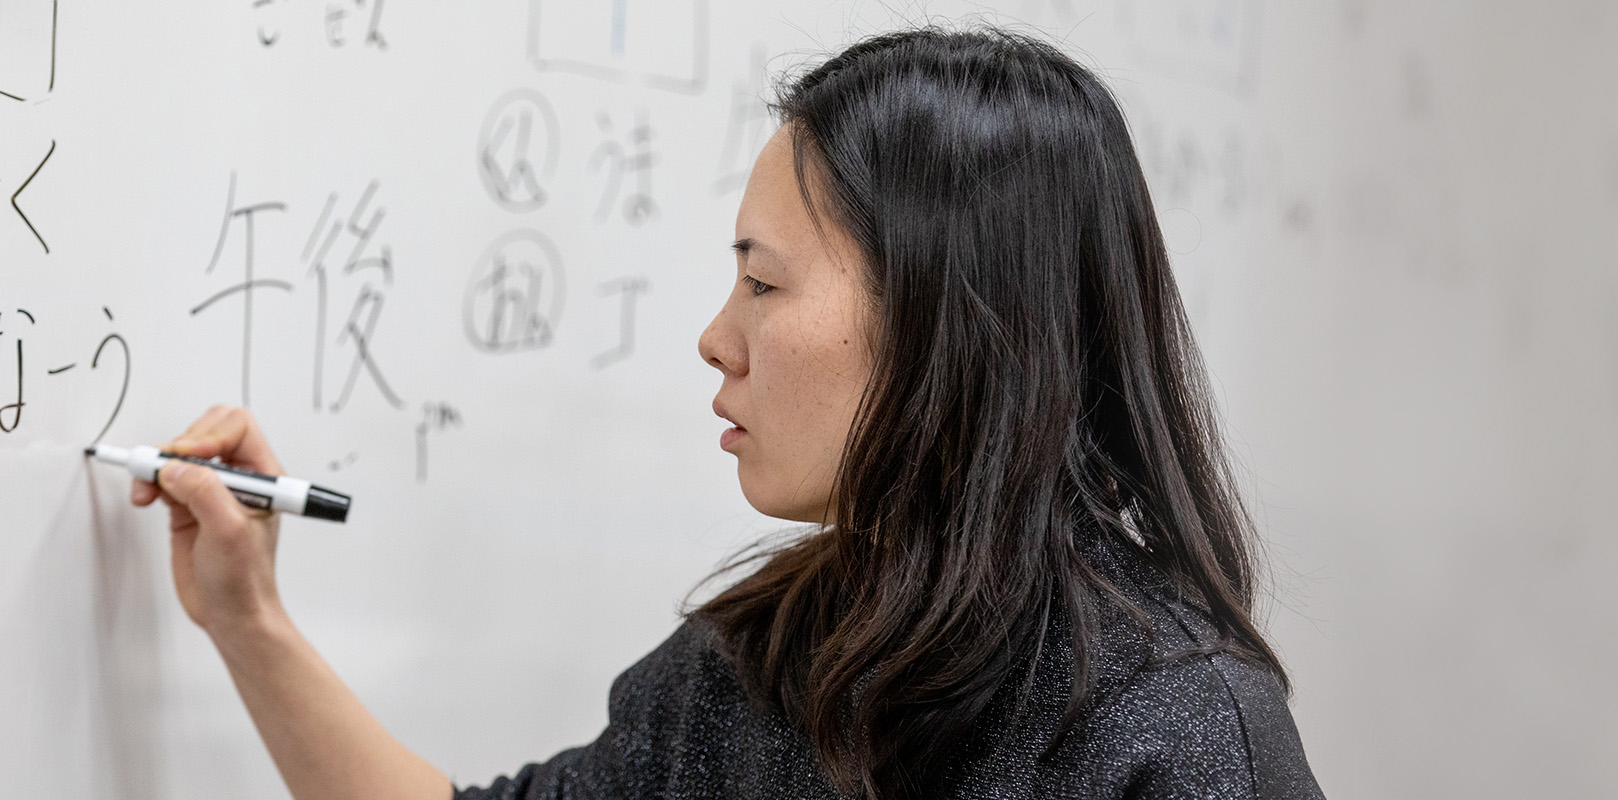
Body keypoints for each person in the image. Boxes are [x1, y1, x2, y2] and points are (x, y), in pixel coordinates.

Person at [128, 26, 1323, 800]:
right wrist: (248, 617)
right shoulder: (761, 667)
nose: (716, 335)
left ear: (949, 318)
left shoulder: (1176, 726)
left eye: (761, 282)